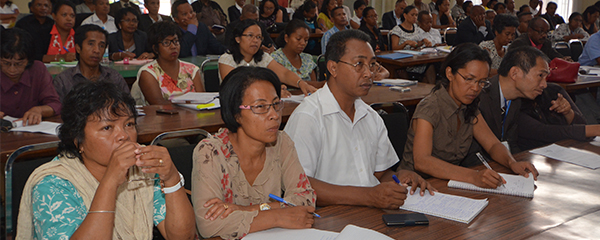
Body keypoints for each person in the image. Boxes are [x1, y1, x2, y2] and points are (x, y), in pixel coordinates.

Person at [16, 81, 195, 240]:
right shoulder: (52, 184)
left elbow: (182, 237)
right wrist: (110, 182)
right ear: (78, 140)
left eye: (129, 124)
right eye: (107, 127)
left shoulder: (143, 171)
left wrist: (171, 179)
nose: (124, 136)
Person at [284, 30, 433, 210]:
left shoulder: (370, 116)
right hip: (328, 218)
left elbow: (379, 174)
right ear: (333, 68)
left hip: (369, 212)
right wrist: (368, 196)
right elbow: (300, 186)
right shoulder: (308, 117)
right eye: (359, 64)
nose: (368, 74)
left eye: (372, 65)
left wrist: (398, 178)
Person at [192, 67, 317, 239]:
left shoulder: (281, 142)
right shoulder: (210, 152)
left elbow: (306, 200)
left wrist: (246, 210)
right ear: (236, 114)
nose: (274, 115)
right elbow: (208, 223)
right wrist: (277, 216)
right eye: (260, 107)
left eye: (275, 104)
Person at [400, 43, 538, 188]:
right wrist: (473, 176)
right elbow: (422, 161)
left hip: (449, 183)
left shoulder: (469, 106)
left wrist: (512, 163)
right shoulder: (430, 107)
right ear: (449, 74)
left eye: (481, 82)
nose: (475, 88)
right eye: (468, 79)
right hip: (415, 185)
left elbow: (492, 144)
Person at [477, 46, 550, 154]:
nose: (544, 85)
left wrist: (519, 162)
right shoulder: (480, 97)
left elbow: (511, 143)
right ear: (514, 73)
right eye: (540, 75)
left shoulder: (515, 100)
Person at [219, 19, 317, 95]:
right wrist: (272, 91)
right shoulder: (226, 59)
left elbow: (284, 73)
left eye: (258, 37)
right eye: (250, 36)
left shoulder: (264, 57)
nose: (255, 40)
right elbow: (236, 87)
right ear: (238, 39)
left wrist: (301, 83)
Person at [130, 21, 204, 106]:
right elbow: (159, 105)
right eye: (166, 43)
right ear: (155, 48)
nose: (173, 46)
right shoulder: (148, 73)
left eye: (176, 41)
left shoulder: (192, 69)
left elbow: (203, 101)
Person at [53, 24, 128, 102]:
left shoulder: (114, 77)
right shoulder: (63, 81)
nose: (97, 50)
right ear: (78, 48)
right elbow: (58, 111)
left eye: (101, 46)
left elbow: (128, 107)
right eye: (91, 44)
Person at [1, 28, 60, 125]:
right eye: (6, 63)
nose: (12, 69)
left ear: (29, 61)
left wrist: (39, 110)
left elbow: (54, 104)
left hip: (30, 133)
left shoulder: (38, 70)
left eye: (19, 64)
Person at [518, 83, 600, 151]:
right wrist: (595, 130)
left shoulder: (554, 90)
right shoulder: (514, 102)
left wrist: (568, 113)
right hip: (530, 157)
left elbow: (582, 126)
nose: (544, 84)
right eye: (540, 76)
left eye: (546, 76)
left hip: (564, 153)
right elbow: (544, 132)